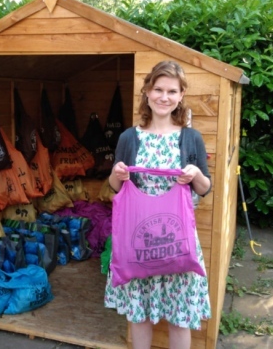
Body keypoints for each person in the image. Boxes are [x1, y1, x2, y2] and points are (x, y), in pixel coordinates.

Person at [104, 60, 212, 349]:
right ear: (147, 92)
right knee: (139, 317)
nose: (164, 97)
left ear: (181, 96)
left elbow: (205, 188)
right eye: (158, 89)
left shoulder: (191, 139)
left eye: (172, 91)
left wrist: (196, 174)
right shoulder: (129, 138)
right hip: (139, 240)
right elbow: (115, 188)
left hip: (179, 242)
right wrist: (118, 175)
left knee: (180, 316)